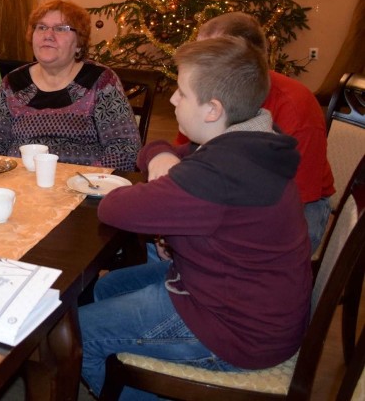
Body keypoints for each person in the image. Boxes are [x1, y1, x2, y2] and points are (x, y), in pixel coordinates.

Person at [78, 36, 312, 400]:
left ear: (212, 110)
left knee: (76, 333)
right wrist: (161, 159)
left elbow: (115, 207)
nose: (172, 99)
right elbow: (160, 150)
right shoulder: (251, 140)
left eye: (182, 93)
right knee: (105, 288)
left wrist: (165, 169)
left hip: (234, 330)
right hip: (242, 296)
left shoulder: (221, 172)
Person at [149, 12, 334, 253]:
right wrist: (162, 154)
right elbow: (185, 156)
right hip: (223, 197)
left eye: (211, 56)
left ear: (246, 61)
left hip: (291, 214)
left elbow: (293, 201)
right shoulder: (206, 97)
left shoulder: (294, 107)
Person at [0, 0, 141, 170]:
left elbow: (126, 150)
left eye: (61, 28)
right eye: (41, 27)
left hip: (85, 187)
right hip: (21, 186)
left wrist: (83, 180)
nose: (48, 35)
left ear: (79, 43)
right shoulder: (13, 83)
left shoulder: (99, 81)